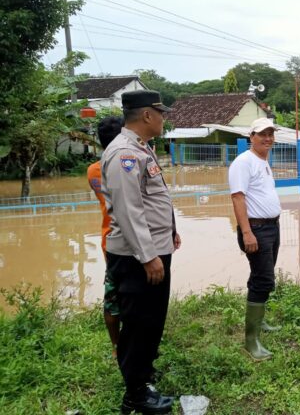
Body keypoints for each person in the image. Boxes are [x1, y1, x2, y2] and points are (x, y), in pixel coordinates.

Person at [101, 90, 181, 414]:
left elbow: (153, 200)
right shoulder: (124, 153)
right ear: (147, 115)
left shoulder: (140, 148)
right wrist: (148, 256)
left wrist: (170, 231)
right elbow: (128, 210)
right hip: (137, 257)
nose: (164, 118)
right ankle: (135, 394)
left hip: (154, 250)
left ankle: (143, 374)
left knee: (151, 320)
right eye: (160, 113)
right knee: (138, 323)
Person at [228, 117, 282, 361]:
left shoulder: (263, 160)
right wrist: (247, 232)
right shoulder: (244, 162)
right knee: (263, 280)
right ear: (251, 137)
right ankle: (251, 342)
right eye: (262, 134)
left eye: (271, 134)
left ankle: (260, 323)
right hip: (256, 230)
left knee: (262, 276)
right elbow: (238, 198)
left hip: (271, 227)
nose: (268, 138)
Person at [87, 115, 123, 360]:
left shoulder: (93, 171)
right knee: (133, 296)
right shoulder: (125, 164)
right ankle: (134, 344)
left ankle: (116, 345)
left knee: (112, 296)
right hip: (129, 243)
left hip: (108, 239)